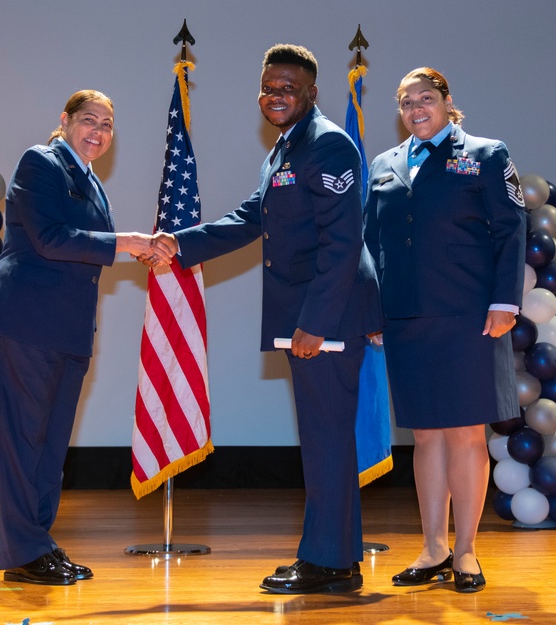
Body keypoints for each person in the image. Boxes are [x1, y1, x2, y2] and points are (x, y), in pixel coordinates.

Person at [148, 44, 382, 594]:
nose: (277, 96)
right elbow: (250, 217)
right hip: (310, 311)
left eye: (289, 88)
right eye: (269, 88)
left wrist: (317, 321)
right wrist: (177, 245)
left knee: (326, 438)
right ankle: (336, 557)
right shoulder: (286, 149)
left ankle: (327, 563)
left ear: (311, 93)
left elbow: (343, 243)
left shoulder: (326, 145)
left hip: (329, 314)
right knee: (326, 438)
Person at [0, 89, 172, 585]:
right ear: (64, 121)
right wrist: (128, 243)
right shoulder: (41, 162)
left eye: (107, 125)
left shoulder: (91, 181)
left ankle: (39, 544)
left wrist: (136, 247)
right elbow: (50, 240)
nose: (98, 132)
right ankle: (22, 552)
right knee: (22, 441)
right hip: (26, 322)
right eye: (89, 120)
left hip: (66, 329)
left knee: (50, 444)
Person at [363, 67, 526, 593]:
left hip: (468, 316)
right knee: (425, 435)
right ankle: (433, 547)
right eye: (407, 102)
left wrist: (505, 301)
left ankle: (467, 551)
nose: (416, 109)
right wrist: (372, 310)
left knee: (464, 434)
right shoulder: (384, 165)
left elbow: (510, 229)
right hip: (405, 319)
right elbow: (371, 244)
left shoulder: (486, 154)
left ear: (447, 102)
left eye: (426, 99)